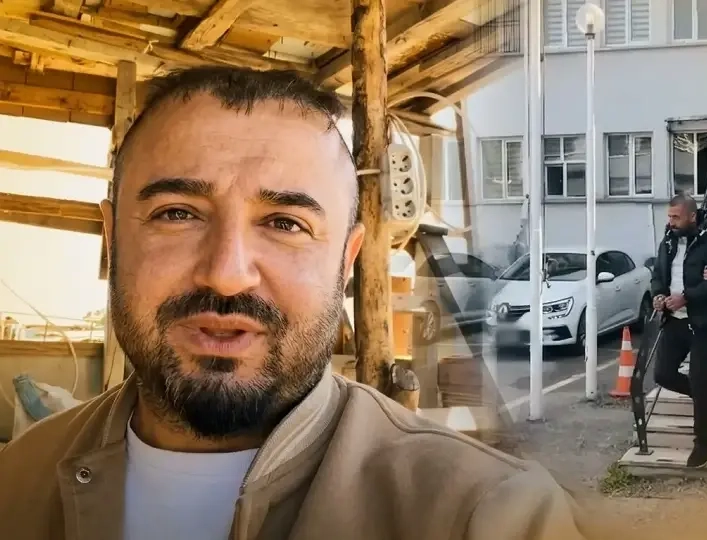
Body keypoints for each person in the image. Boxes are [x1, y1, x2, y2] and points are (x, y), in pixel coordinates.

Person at [0, 67, 601, 540]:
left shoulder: (487, 516)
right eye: (177, 214)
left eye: (285, 223)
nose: (227, 275)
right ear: (113, 238)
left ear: (345, 260)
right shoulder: (18, 482)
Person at [649, 194, 707, 469]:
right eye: (669, 217)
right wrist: (658, 295)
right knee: (662, 374)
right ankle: (706, 396)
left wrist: (687, 297)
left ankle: (702, 446)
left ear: (692, 216)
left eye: (676, 217)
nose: (671, 222)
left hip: (703, 322)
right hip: (674, 320)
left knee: (698, 378)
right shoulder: (669, 241)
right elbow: (658, 274)